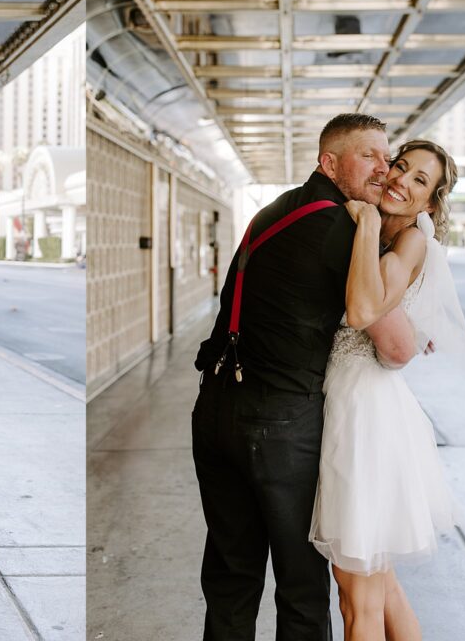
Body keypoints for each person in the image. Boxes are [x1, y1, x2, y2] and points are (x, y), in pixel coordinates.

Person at [192, 114, 421, 640]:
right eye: (370, 156)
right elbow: (395, 344)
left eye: (388, 157)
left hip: (215, 411)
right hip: (278, 424)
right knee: (301, 585)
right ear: (329, 163)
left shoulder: (271, 211)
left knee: (231, 573)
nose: (384, 169)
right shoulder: (342, 227)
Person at [309, 139, 465, 640]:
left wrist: (369, 221)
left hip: (363, 417)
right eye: (401, 167)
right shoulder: (392, 234)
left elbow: (362, 311)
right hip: (361, 404)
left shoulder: (411, 240)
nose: (401, 180)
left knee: (357, 597)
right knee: (380, 585)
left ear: (431, 202)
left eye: (420, 180)